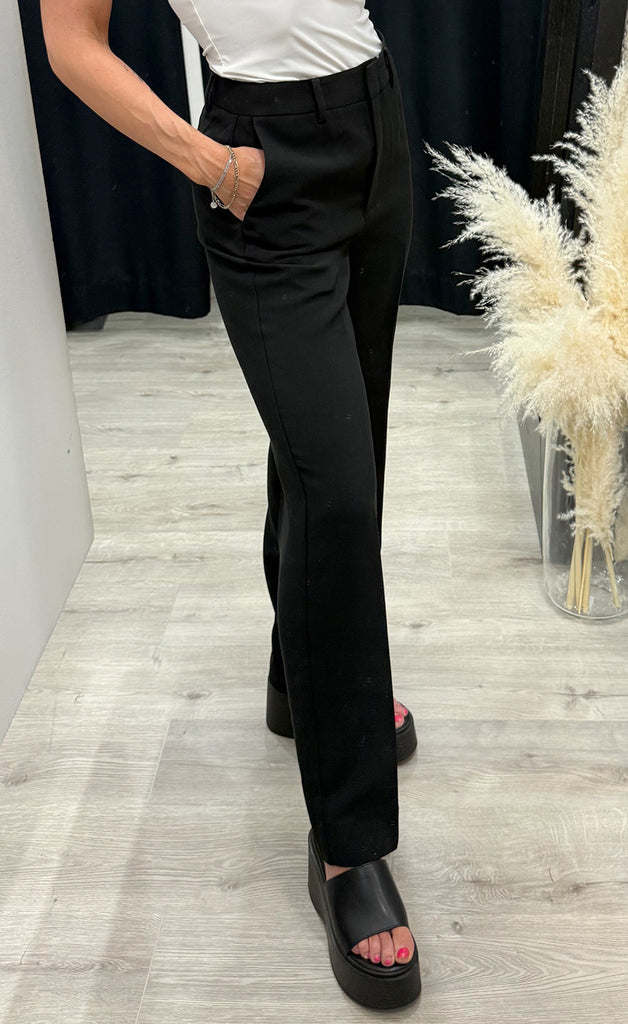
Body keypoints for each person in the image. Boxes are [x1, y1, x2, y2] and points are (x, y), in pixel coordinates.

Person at [40, 0, 420, 1009]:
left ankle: (305, 686)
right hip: (260, 163)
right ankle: (348, 846)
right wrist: (208, 162)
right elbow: (70, 44)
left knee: (340, 459)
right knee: (337, 494)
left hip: (375, 123)